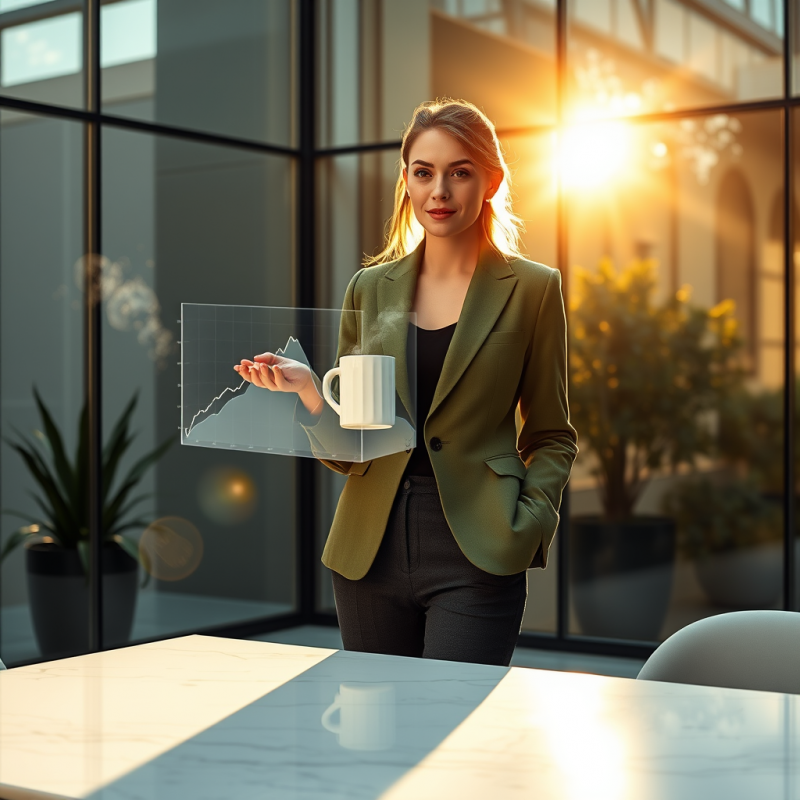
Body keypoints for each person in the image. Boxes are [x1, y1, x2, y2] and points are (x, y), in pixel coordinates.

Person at [235, 99, 578, 667]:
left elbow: (552, 434)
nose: (439, 191)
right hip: (370, 548)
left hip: (479, 544)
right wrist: (309, 392)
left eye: (459, 171)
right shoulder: (369, 288)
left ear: (490, 181)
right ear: (407, 181)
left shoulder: (534, 290)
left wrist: (529, 520)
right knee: (375, 734)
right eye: (424, 172)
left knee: (451, 734)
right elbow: (355, 443)